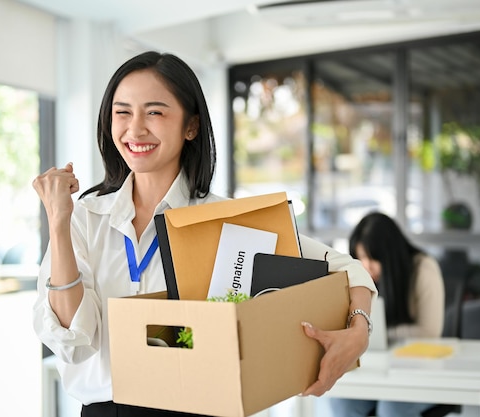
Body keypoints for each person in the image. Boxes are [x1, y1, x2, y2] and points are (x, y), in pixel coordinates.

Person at [32, 51, 377, 417]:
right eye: (123, 112)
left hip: (198, 409)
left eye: (155, 112)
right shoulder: (83, 218)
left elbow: (348, 269)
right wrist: (58, 221)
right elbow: (75, 342)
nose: (135, 129)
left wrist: (358, 332)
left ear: (191, 126)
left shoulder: (223, 218)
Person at [315, 211, 445, 417]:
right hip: (379, 369)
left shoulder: (424, 268)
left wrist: (374, 331)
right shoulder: (363, 281)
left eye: (372, 258)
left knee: (392, 409)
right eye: (360, 258)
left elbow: (430, 331)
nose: (366, 267)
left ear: (389, 255)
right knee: (342, 403)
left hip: (419, 371)